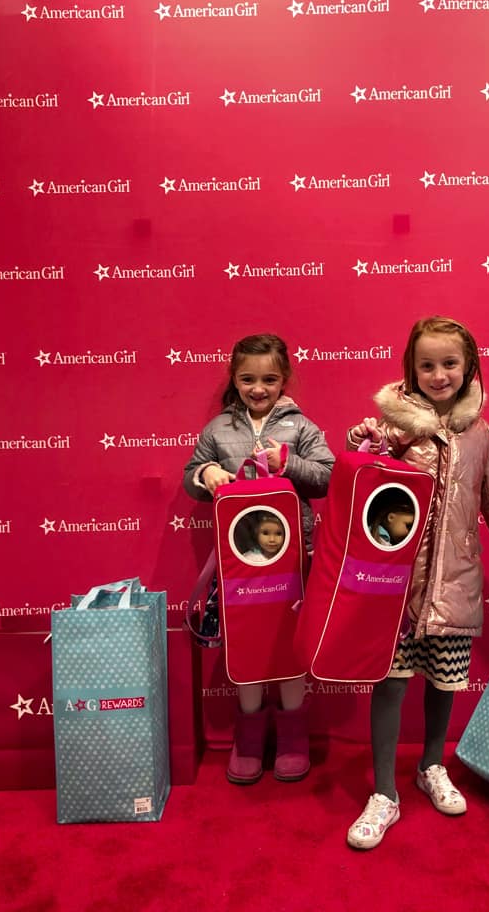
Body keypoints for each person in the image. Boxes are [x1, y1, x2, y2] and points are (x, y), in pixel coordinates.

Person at [345, 316, 489, 849]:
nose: (438, 374)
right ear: (410, 370)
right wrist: (365, 445)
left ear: (469, 369)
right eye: (426, 364)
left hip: (457, 584)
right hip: (395, 586)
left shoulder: (481, 435)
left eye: (449, 363)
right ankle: (384, 794)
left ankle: (431, 765)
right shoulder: (393, 429)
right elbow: (358, 482)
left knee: (445, 683)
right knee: (390, 684)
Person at [183, 333, 334, 784]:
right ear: (234, 378)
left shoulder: (300, 426)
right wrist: (205, 472)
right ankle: (248, 734)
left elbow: (326, 476)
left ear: (284, 378)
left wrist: (287, 462)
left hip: (291, 560)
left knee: (288, 645)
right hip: (238, 563)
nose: (258, 388)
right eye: (248, 379)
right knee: (247, 644)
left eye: (269, 378)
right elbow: (192, 476)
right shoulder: (218, 429)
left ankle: (291, 734)